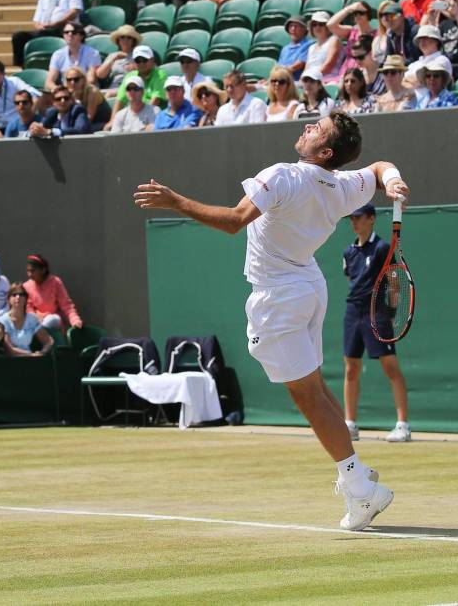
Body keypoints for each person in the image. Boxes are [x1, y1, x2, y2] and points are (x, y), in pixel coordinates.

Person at [134, 113, 408, 529]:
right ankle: (353, 472)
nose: (306, 128)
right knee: (314, 387)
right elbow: (378, 166)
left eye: (316, 129)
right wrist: (391, 180)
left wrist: (177, 202)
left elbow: (233, 221)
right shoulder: (342, 186)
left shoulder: (282, 176)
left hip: (279, 295)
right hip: (309, 287)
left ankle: (359, 486)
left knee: (307, 396)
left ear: (326, 152)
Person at [338, 203, 410, 443]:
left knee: (390, 367)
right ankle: (350, 425)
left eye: (359, 218)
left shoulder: (382, 248)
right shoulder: (348, 252)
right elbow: (351, 279)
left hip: (376, 313)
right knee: (351, 368)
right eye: (352, 218)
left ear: (371, 219)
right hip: (353, 312)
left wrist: (390, 309)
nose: (354, 222)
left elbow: (395, 282)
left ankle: (403, 426)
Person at [9, 0, 82, 66]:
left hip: (64, 28)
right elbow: (36, 20)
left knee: (51, 32)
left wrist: (55, 24)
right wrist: (40, 26)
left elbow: (75, 11)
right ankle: (24, 69)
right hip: (45, 29)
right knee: (18, 37)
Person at [22, 253, 82, 331]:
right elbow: (28, 308)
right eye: (28, 271)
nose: (29, 274)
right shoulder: (26, 286)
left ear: (43, 270)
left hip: (54, 323)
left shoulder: (55, 282)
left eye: (32, 271)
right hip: (36, 322)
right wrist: (36, 318)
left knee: (52, 319)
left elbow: (66, 305)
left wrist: (75, 320)